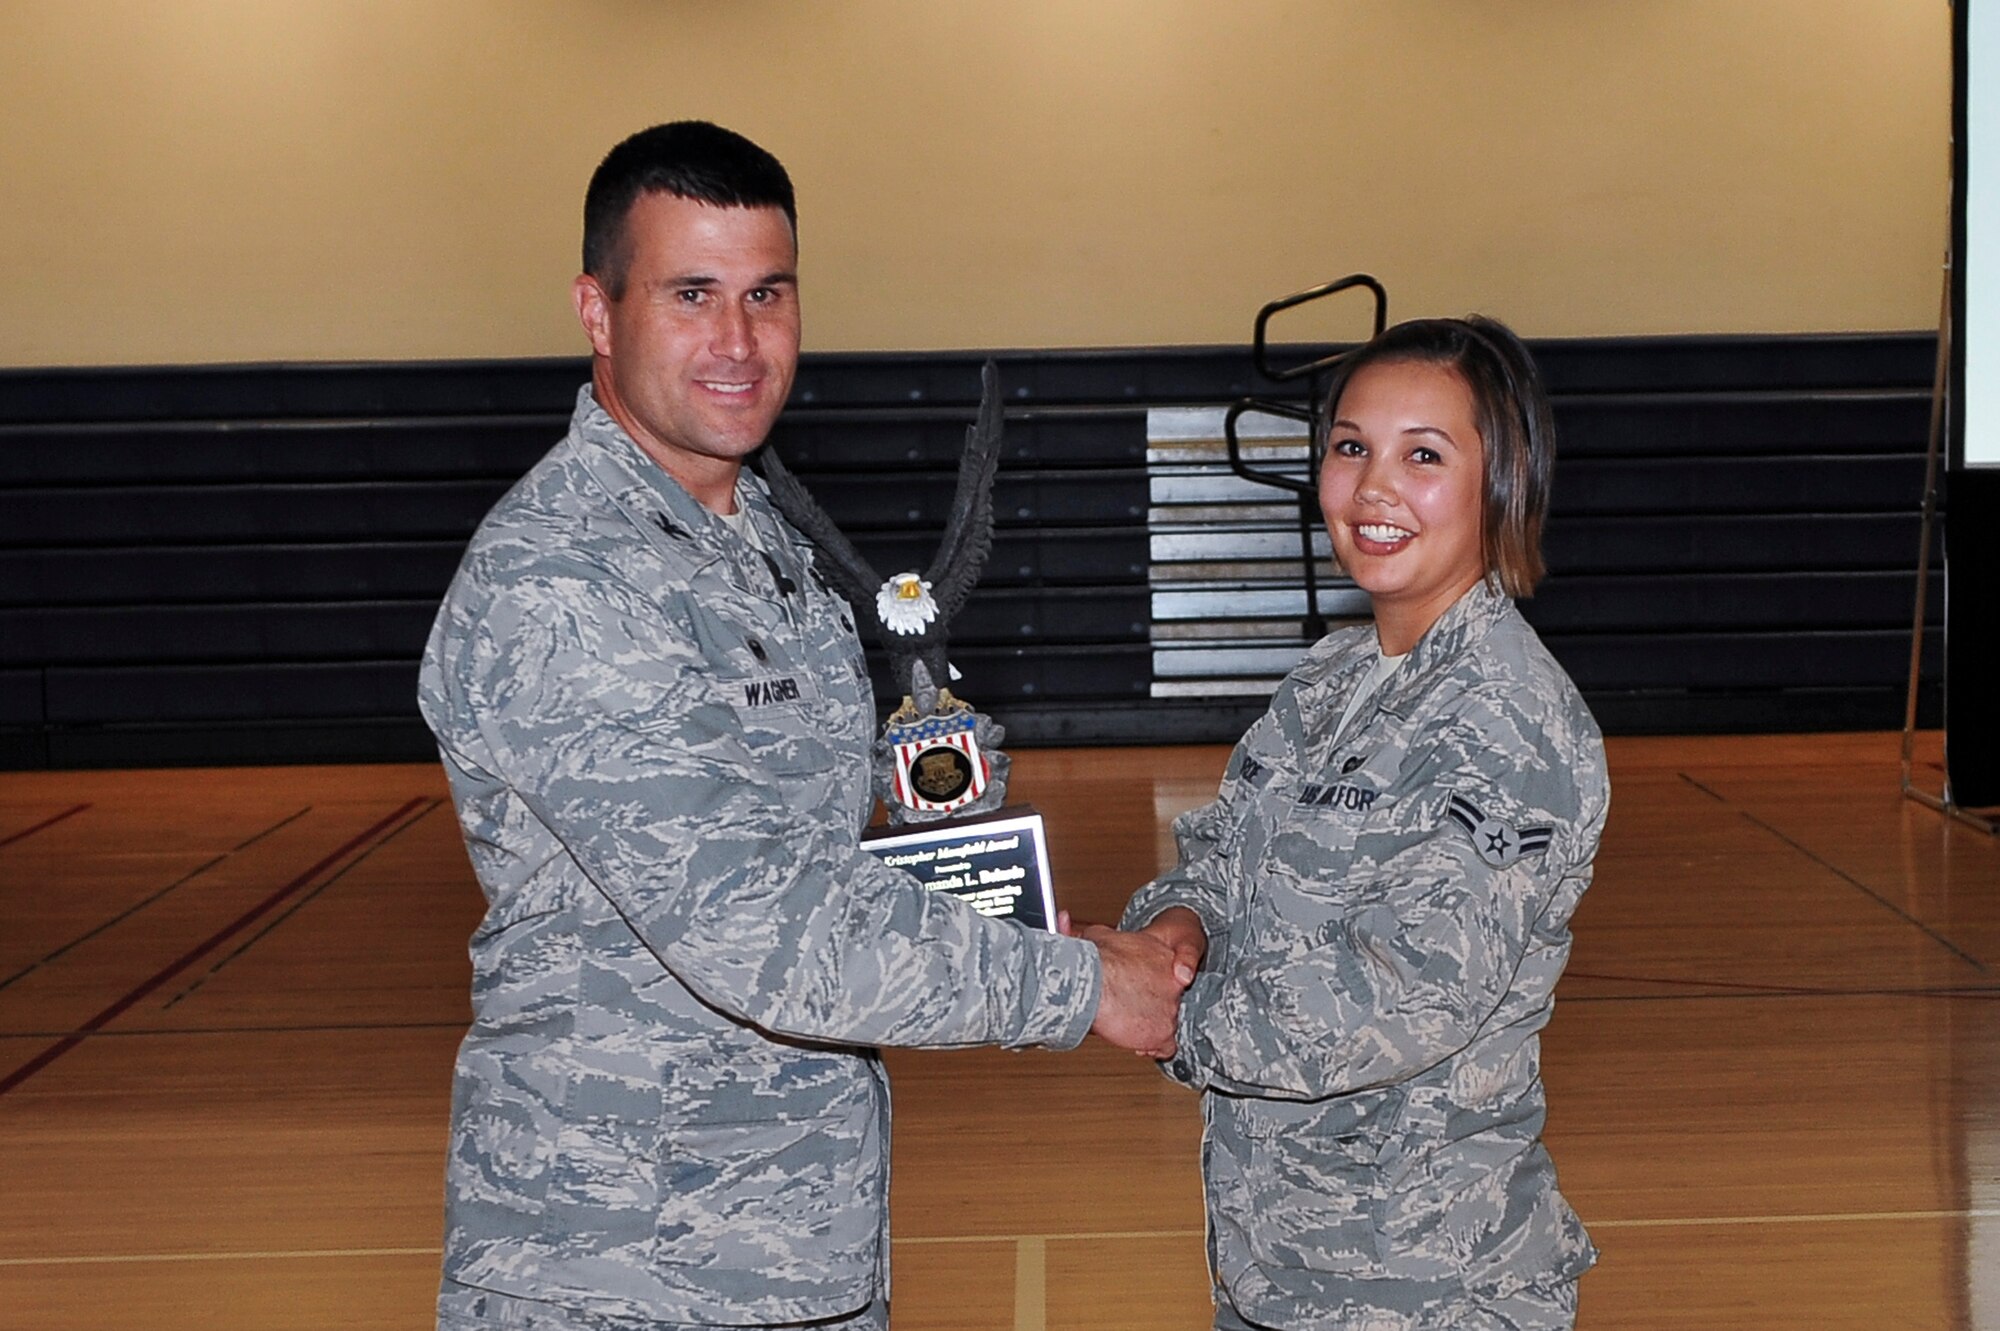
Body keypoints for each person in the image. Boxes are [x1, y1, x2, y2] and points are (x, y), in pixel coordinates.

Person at [419, 121, 1187, 1331]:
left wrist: (966, 850)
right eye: (690, 294)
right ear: (594, 307)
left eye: (766, 294)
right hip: (620, 1270)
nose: (737, 342)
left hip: (781, 1249)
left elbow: (803, 848)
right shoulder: (562, 584)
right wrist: (1080, 983)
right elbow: (756, 928)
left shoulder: (760, 540)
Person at [1120, 316, 1608, 1330]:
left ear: (1502, 480)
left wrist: (1157, 1011)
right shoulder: (1327, 679)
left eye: (1422, 454)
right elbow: (1217, 856)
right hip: (1282, 1268)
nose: (1373, 486)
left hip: (1427, 1286)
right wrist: (1175, 929)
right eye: (1350, 447)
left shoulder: (1505, 719)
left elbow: (1403, 993)